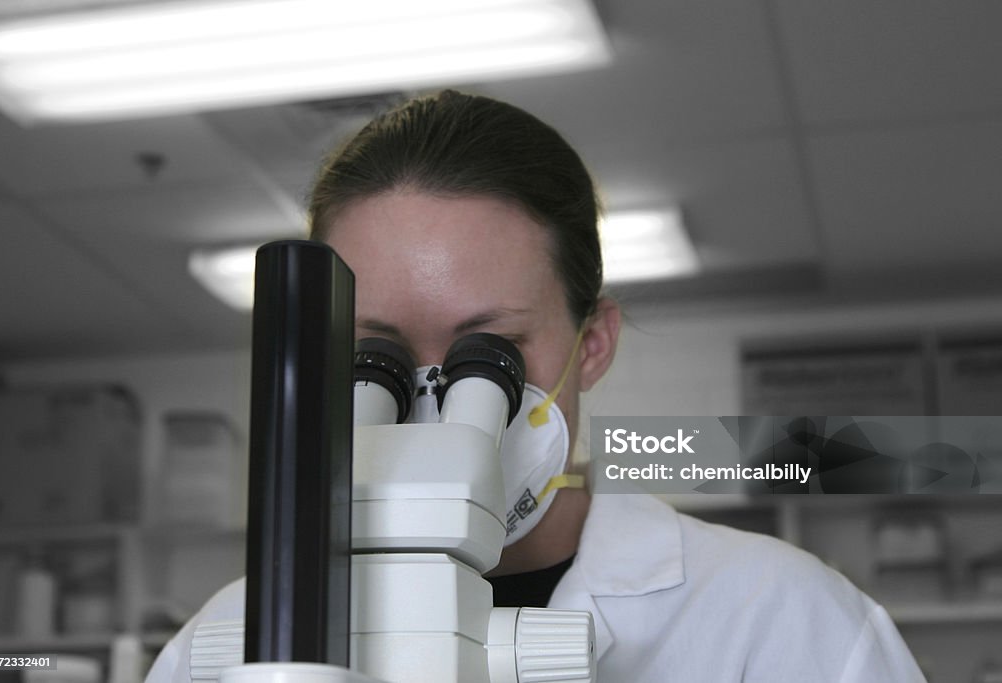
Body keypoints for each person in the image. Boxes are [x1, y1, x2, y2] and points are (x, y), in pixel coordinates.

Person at [146, 90, 925, 681]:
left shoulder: (784, 624)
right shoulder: (227, 642)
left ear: (592, 344)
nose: (434, 403)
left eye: (489, 354)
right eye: (372, 356)